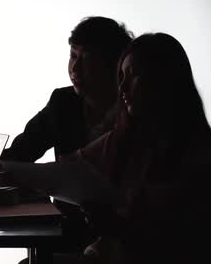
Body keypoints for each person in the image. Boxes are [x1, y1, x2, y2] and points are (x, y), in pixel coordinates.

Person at [0, 16, 133, 252]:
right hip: (66, 228)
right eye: (73, 56)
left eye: (87, 59)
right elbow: (24, 149)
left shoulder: (135, 109)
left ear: (114, 64)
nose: (75, 69)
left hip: (125, 231)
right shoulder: (63, 103)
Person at [69, 33, 211, 263]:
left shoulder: (200, 156)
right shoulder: (121, 139)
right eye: (121, 76)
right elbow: (69, 167)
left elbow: (187, 243)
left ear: (164, 79)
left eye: (134, 75)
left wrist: (118, 229)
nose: (122, 87)